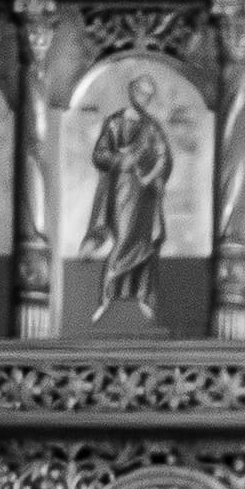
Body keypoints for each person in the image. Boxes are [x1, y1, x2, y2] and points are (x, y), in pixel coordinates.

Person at [84, 84, 171, 324]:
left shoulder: (151, 127)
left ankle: (142, 296)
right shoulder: (114, 122)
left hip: (146, 194)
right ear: (132, 93)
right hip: (122, 189)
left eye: (149, 95)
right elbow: (99, 154)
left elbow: (163, 157)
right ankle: (106, 297)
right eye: (142, 93)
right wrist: (119, 160)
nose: (145, 99)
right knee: (123, 239)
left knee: (146, 242)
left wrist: (149, 177)